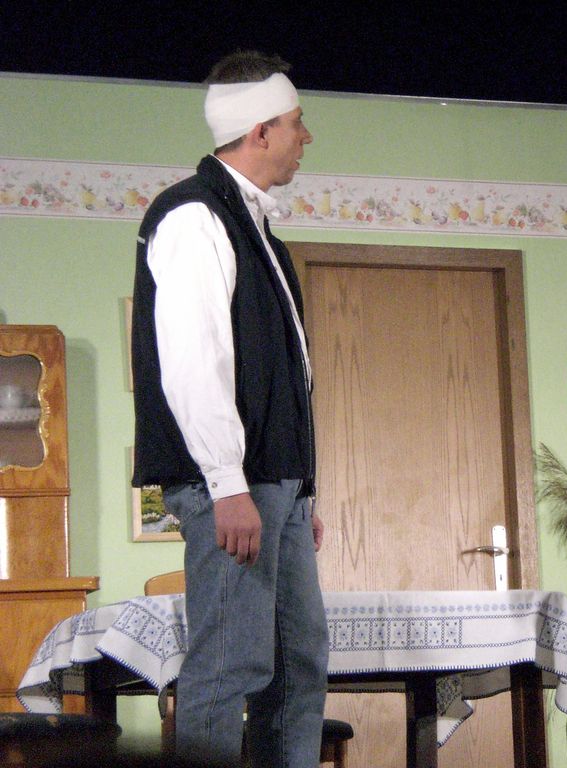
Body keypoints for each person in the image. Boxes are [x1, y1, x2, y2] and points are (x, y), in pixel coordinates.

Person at [131, 50, 328, 767]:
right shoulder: (194, 215)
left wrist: (302, 490)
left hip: (274, 483)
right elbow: (194, 362)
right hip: (236, 483)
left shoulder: (257, 229)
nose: (306, 137)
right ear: (261, 130)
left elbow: (281, 373)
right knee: (229, 664)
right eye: (296, 123)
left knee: (298, 664)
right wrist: (227, 483)